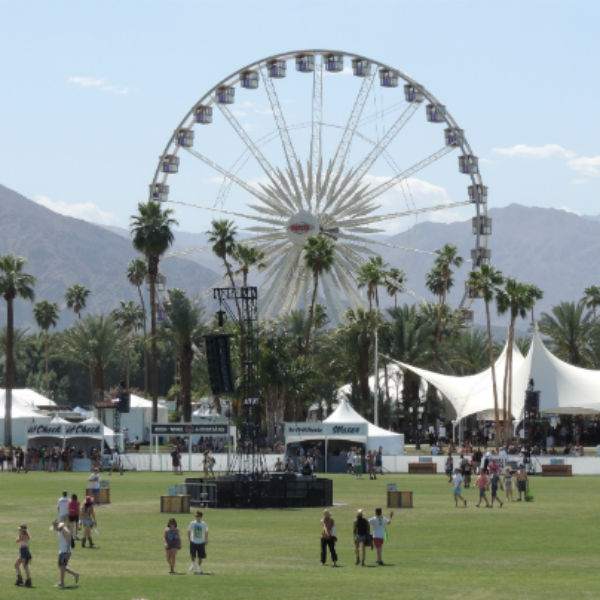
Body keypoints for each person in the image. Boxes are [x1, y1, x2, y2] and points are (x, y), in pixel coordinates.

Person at [54, 521, 79, 588]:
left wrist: (68, 552)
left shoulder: (65, 531)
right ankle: (75, 574)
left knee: (62, 567)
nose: (55, 529)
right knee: (60, 567)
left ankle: (62, 583)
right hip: (62, 550)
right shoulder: (60, 530)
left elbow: (69, 541)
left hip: (65, 551)